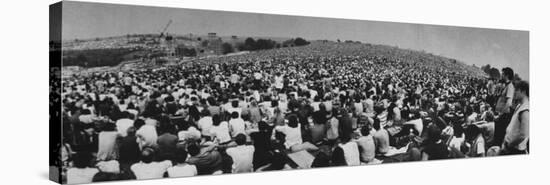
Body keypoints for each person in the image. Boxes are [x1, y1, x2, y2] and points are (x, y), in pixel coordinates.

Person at [502, 80, 529, 155]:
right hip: (510, 147)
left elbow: (523, 134)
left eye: (516, 90)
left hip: (515, 150)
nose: (514, 92)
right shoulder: (520, 106)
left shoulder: (525, 109)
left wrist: (510, 144)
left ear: (523, 91)